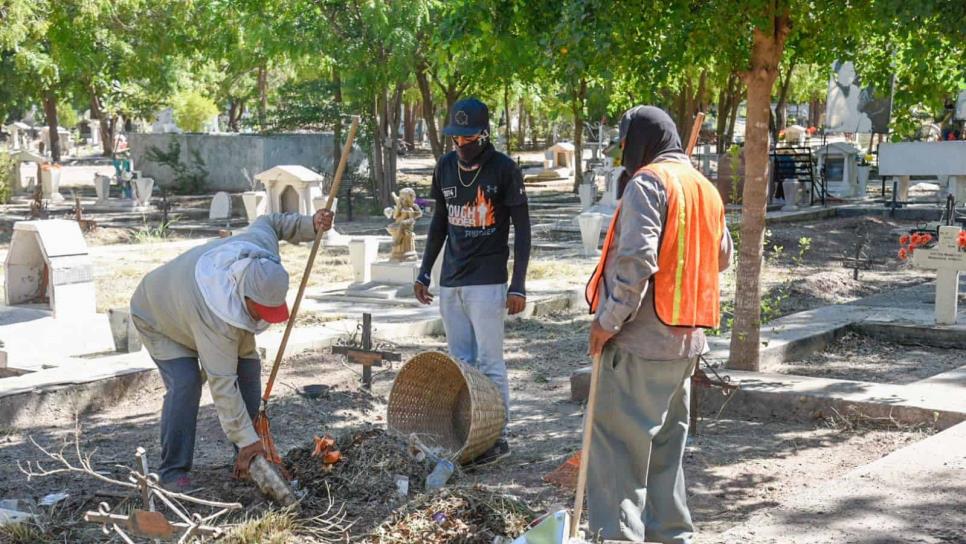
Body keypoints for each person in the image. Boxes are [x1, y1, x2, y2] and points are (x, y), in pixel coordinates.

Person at [584, 106, 732, 543]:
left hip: (638, 344)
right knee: (666, 454)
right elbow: (723, 257)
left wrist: (607, 322)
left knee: (617, 455)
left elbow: (636, 263)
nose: (623, 156)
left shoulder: (649, 184)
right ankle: (672, 536)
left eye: (625, 146)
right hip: (685, 344)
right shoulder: (704, 188)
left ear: (641, 142)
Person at [130, 209, 334, 491]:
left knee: (249, 370)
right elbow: (223, 386)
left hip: (190, 304)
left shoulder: (260, 252)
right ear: (244, 295)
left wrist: (309, 224)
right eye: (260, 311)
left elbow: (270, 223)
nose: (264, 317)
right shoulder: (217, 318)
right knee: (186, 383)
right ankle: (173, 471)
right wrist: (249, 440)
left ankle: (246, 461)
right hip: (158, 314)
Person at [413, 97, 531, 465]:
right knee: (460, 361)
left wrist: (518, 284)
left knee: (490, 361)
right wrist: (424, 270)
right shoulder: (445, 168)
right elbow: (439, 225)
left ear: (484, 135)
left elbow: (523, 230)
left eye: (467, 139)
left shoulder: (504, 170)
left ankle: (499, 434)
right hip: (451, 280)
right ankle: (470, 431)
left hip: (488, 279)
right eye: (455, 139)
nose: (460, 146)